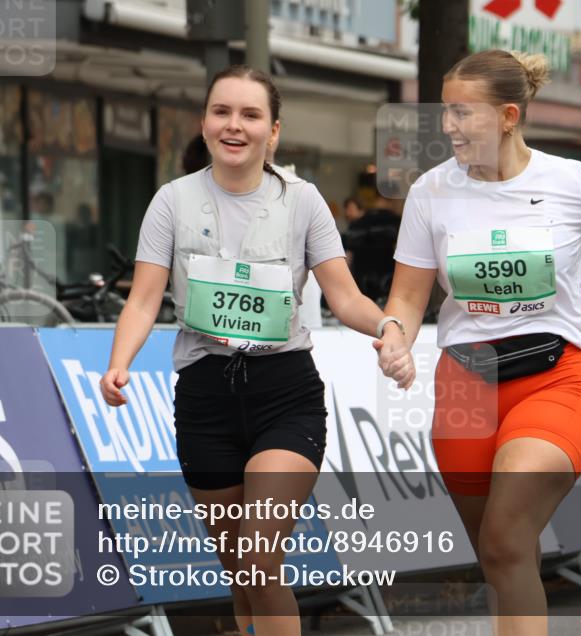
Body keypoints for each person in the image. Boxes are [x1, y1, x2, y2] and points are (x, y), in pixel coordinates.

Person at [99, 65, 402, 636]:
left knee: (261, 554)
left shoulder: (304, 202)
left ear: (274, 132)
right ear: (205, 123)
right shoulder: (172, 201)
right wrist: (120, 362)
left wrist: (387, 327)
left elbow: (344, 295)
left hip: (284, 392)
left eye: (250, 115)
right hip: (205, 398)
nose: (234, 125)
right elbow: (143, 300)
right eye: (222, 112)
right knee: (241, 571)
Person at [374, 50, 581, 636]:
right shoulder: (431, 193)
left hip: (555, 376)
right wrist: (394, 336)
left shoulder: (569, 184)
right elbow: (407, 297)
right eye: (444, 113)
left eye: (463, 113)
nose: (449, 126)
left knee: (507, 534)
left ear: (509, 116)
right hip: (466, 385)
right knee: (501, 554)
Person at [342, 190, 401, 303]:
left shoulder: (357, 224)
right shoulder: (396, 223)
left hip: (361, 285)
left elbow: (348, 258)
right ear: (394, 199)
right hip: (388, 284)